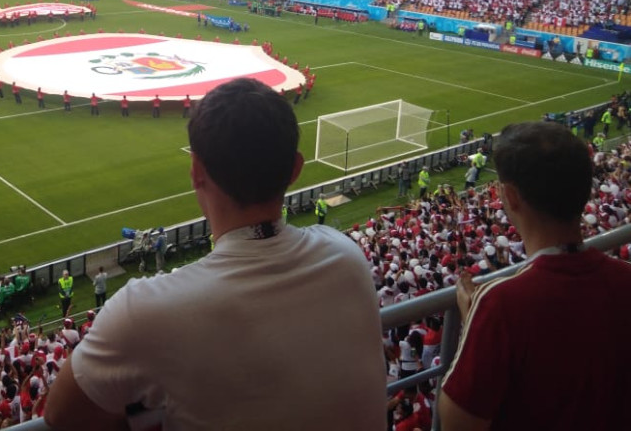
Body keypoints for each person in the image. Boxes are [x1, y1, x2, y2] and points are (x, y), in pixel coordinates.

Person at [45, 77, 386, 430]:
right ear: (295, 170)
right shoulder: (347, 257)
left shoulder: (147, 310)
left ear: (195, 172)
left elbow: (60, 414)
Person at [438, 121, 631, 430]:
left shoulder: (500, 305)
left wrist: (472, 322)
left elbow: (455, 423)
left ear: (510, 196)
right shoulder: (624, 278)